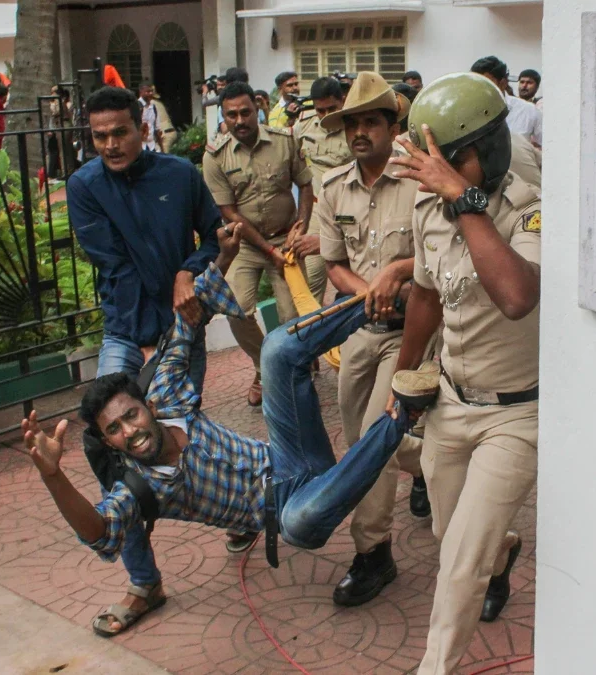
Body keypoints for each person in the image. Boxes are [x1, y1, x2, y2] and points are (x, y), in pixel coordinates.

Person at [20, 234, 443, 638]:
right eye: (114, 430)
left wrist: (223, 257)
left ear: (147, 406)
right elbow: (100, 531)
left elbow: (190, 318)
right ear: (109, 442)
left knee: (276, 350)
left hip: (290, 453)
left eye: (130, 416)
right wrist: (53, 476)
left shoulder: (166, 395)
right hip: (288, 508)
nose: (130, 432)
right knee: (299, 523)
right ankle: (405, 411)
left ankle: (383, 304)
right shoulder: (141, 487)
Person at [388, 72, 541, 674]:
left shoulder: (529, 209)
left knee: (459, 565)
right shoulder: (431, 206)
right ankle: (500, 550)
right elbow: (425, 295)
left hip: (516, 413)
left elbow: (515, 296)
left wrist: (465, 201)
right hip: (451, 402)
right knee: (451, 535)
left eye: (447, 163)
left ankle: (435, 667)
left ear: (486, 150)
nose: (432, 176)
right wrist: (403, 382)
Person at [66, 86, 224, 637]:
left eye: (120, 132)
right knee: (114, 449)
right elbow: (117, 267)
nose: (111, 144)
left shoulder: (180, 175)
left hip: (184, 324)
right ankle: (143, 582)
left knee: (185, 441)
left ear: (144, 128)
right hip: (129, 333)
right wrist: (153, 347)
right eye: (100, 136)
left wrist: (188, 271)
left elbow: (214, 238)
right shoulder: (84, 187)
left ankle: (242, 514)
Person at [313, 72, 433, 607]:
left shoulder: (420, 180)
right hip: (359, 329)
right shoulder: (334, 187)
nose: (359, 132)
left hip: (412, 331)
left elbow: (444, 251)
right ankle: (428, 463)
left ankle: (373, 554)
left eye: (369, 121)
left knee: (370, 443)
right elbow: (333, 263)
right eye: (351, 123)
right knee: (368, 439)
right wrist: (371, 290)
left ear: (392, 124)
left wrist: (400, 271)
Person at [202, 81, 313, 408]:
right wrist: (268, 251)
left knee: (292, 316)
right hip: (245, 246)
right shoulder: (215, 157)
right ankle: (265, 366)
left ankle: (292, 368)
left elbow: (305, 186)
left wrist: (302, 225)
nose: (239, 120)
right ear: (223, 116)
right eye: (231, 114)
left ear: (259, 107)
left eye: (245, 112)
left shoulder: (285, 142)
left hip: (287, 238)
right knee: (235, 307)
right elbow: (228, 212)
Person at [291, 76, 350, 306]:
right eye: (320, 110)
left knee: (356, 273)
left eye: (332, 109)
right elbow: (290, 158)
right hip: (317, 211)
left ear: (343, 101)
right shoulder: (304, 125)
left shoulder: (356, 126)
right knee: (313, 279)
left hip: (351, 210)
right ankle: (311, 333)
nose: (325, 116)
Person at [470, 56, 542, 149]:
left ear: (503, 83)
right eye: (475, 84)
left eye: (485, 84)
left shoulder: (528, 111)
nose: (478, 89)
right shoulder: (467, 112)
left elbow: (549, 145)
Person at [137, 82, 162, 152]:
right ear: (141, 92)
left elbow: (157, 129)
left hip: (151, 145)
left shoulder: (153, 107)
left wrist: (162, 149)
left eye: (151, 91)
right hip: (140, 146)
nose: (150, 93)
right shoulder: (136, 106)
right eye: (148, 91)